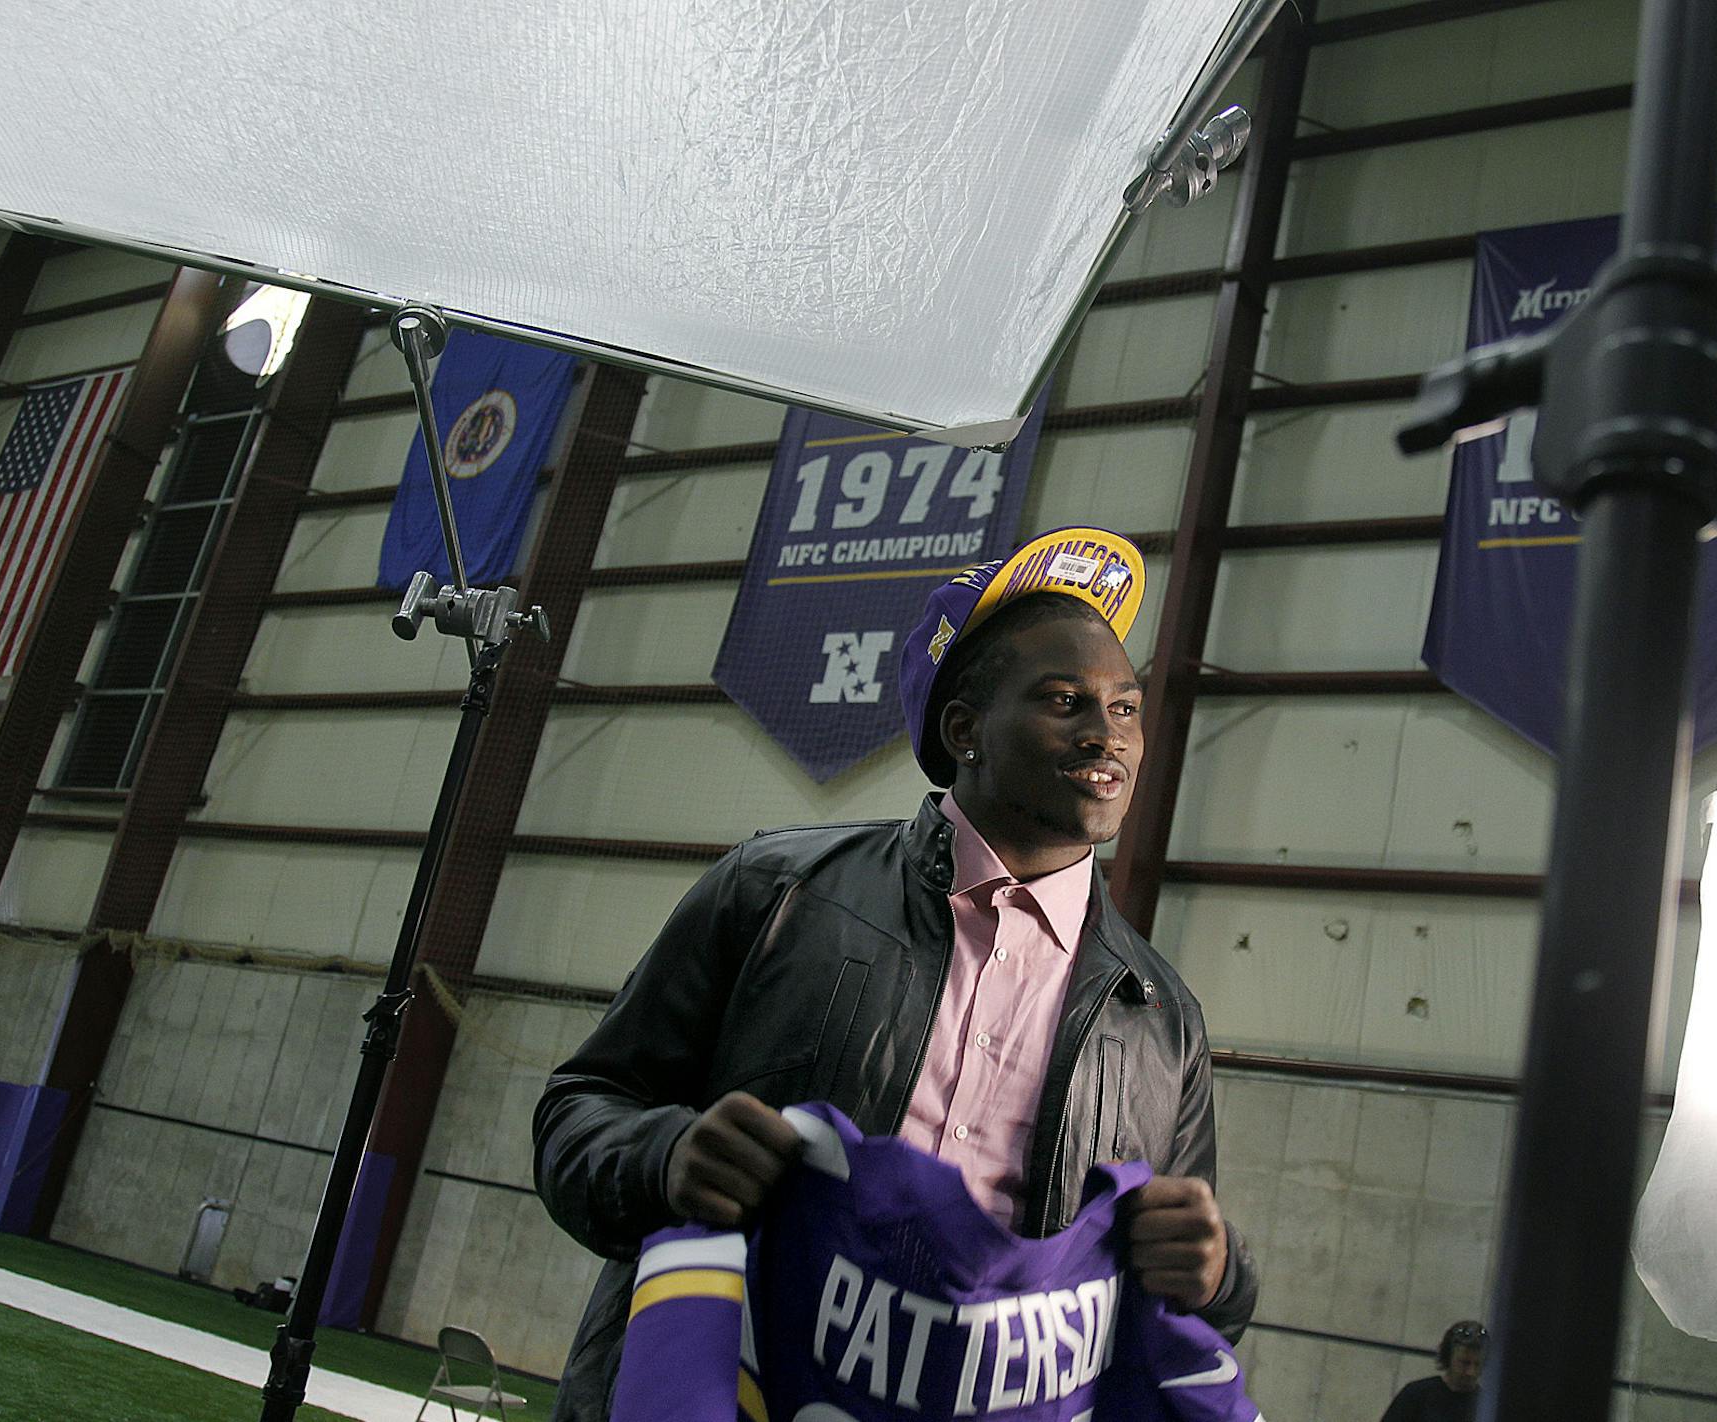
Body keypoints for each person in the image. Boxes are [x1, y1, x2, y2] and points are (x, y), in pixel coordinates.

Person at [533, 526, 1258, 1421]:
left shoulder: (1159, 1017)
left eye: (1124, 707)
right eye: (1064, 700)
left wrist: (1219, 1273)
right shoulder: (776, 892)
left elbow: (1181, 1282)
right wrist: (665, 1156)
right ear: (966, 732)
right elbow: (578, 1114)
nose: (1105, 734)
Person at [1380, 1320, 1487, 1422]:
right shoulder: (1416, 1395)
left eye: (1477, 1364)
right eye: (1464, 1363)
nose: (1471, 1372)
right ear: (1448, 1358)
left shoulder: (1487, 1405)